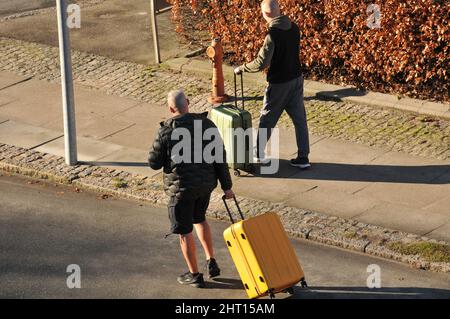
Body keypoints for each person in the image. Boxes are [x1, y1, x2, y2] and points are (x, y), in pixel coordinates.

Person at [148, 90, 234, 288]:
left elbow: (154, 163)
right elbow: (220, 157)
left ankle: (195, 275)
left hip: (181, 190)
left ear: (171, 109)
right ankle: (211, 260)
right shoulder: (206, 124)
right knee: (200, 219)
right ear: (188, 102)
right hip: (204, 186)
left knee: (184, 232)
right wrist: (227, 187)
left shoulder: (166, 131)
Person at [234, 0, 311, 169]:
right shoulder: (294, 27)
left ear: (266, 14)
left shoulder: (272, 35)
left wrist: (242, 68)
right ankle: (303, 157)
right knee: (300, 120)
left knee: (267, 118)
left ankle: (257, 153)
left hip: (279, 84)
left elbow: (262, 62)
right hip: (296, 79)